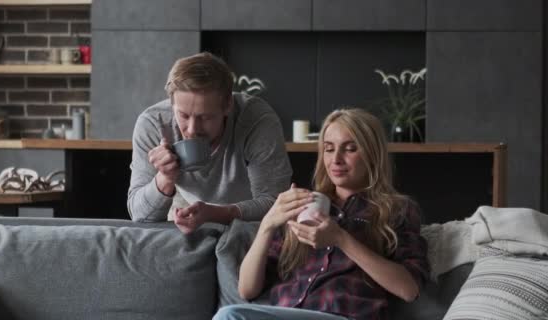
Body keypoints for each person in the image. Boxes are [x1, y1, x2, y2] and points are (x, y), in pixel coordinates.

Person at [214, 108, 430, 320]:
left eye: (350, 148)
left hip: (346, 314)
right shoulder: (304, 204)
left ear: (372, 155)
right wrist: (268, 224)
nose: (336, 159)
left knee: (231, 316)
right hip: (288, 312)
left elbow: (408, 289)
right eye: (328, 149)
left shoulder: (396, 209)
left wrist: (341, 239)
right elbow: (247, 290)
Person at [127, 52, 293, 233]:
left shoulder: (257, 120)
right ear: (171, 104)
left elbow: (275, 205)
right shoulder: (154, 124)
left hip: (249, 219)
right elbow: (140, 215)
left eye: (205, 117)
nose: (192, 129)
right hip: (185, 206)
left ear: (228, 105)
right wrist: (165, 179)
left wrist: (216, 214)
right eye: (183, 115)